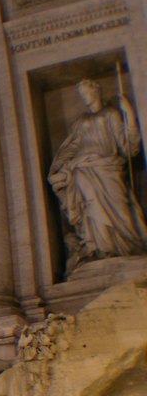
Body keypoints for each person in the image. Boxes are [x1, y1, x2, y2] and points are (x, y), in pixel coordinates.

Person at [48, 78, 147, 265]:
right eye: (82, 94)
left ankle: (126, 247)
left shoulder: (111, 114)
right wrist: (59, 168)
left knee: (121, 209)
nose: (85, 97)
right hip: (82, 169)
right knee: (91, 207)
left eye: (88, 93)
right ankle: (101, 248)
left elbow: (128, 148)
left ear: (97, 92)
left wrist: (130, 115)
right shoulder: (80, 122)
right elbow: (70, 148)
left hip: (108, 168)